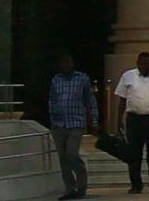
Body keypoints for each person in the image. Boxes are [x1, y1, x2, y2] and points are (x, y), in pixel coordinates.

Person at [112, 50, 149, 194]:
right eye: (143, 64)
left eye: (148, 64)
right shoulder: (128, 76)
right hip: (134, 119)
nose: (146, 67)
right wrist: (118, 121)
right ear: (138, 63)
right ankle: (136, 185)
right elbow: (122, 100)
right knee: (134, 154)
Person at [48, 52, 98, 199]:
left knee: (71, 154)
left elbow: (90, 101)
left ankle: (81, 184)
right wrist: (52, 115)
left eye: (68, 62)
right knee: (63, 159)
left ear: (72, 64)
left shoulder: (82, 78)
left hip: (75, 123)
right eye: (63, 63)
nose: (65, 65)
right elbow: (51, 99)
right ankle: (70, 189)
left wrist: (94, 121)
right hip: (58, 124)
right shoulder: (56, 80)